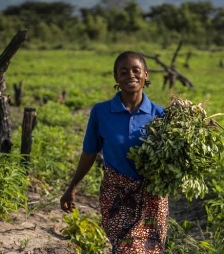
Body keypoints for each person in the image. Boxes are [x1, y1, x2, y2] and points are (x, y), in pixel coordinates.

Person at [60, 51, 169, 253]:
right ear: (116, 78)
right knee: (126, 248)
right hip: (116, 195)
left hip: (152, 196)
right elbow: (89, 152)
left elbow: (174, 156)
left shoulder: (160, 115)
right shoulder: (101, 112)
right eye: (124, 72)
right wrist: (72, 187)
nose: (131, 76)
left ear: (146, 74)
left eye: (136, 70)